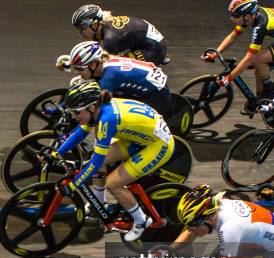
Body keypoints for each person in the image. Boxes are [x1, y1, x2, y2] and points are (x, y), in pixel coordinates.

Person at [42, 80, 175, 241]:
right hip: (139, 138)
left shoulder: (106, 119)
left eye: (76, 112)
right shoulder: (98, 109)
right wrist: (57, 153)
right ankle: (99, 203)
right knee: (97, 160)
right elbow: (80, 133)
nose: (74, 117)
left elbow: (95, 164)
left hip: (158, 145)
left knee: (113, 183)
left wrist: (73, 185)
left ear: (91, 108)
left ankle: (141, 220)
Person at [204, 0, 274, 103]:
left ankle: (269, 90)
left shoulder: (260, 26)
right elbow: (232, 37)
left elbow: (249, 59)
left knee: (256, 59)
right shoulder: (250, 17)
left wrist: (228, 79)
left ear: (248, 15)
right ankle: (260, 99)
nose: (232, 18)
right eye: (232, 14)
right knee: (259, 68)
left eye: (235, 15)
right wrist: (215, 53)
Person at [58, 41, 171, 116]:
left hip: (157, 97)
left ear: (93, 65)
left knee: (115, 119)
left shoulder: (109, 77)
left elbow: (94, 108)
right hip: (150, 86)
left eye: (79, 69)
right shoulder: (104, 64)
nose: (77, 72)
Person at [68, 4, 167, 66]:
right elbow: (94, 54)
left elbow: (101, 63)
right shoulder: (105, 27)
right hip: (147, 42)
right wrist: (71, 61)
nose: (81, 33)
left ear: (95, 24)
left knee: (117, 69)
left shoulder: (110, 38)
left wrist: (74, 63)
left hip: (152, 49)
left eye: (82, 29)